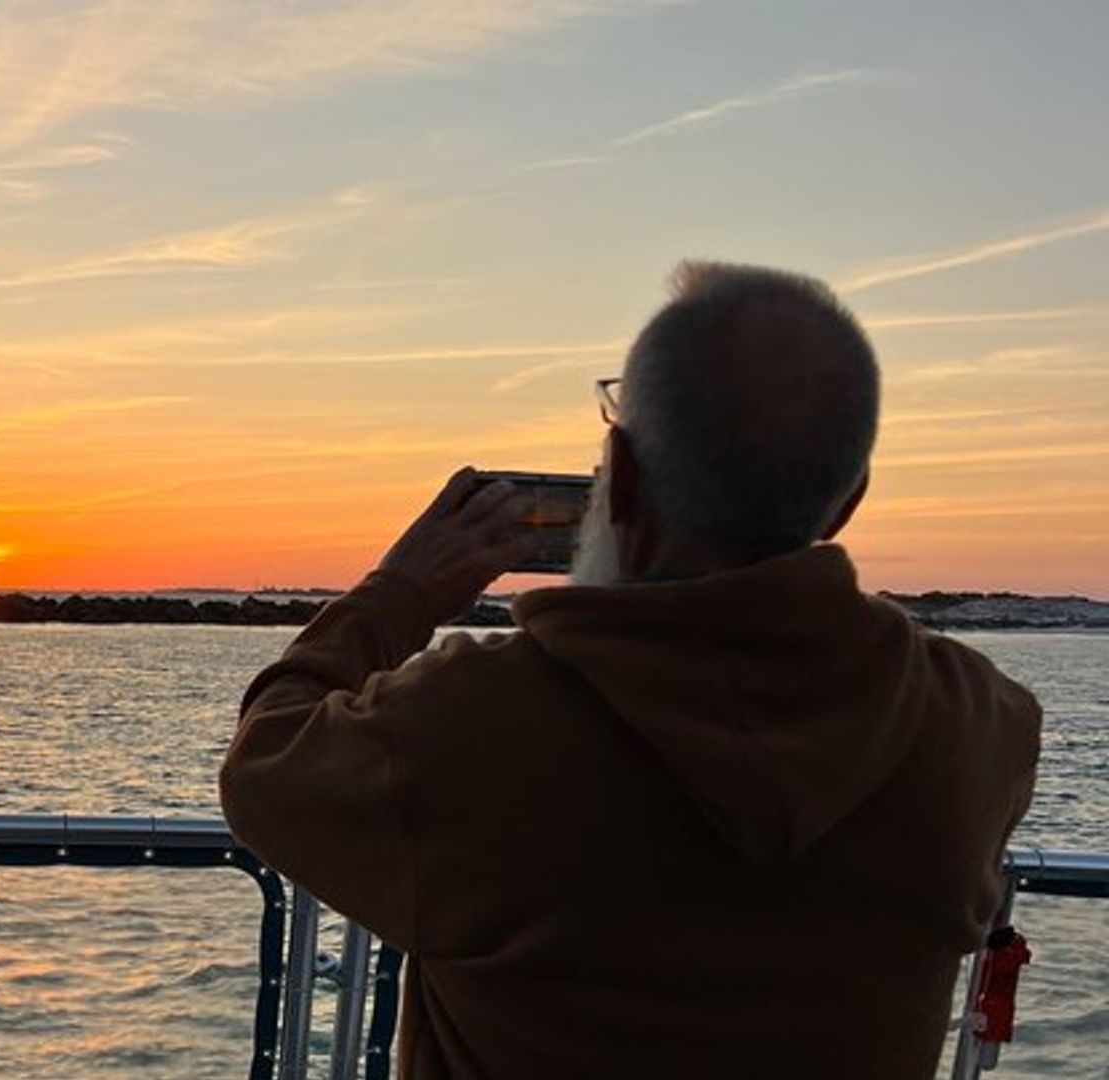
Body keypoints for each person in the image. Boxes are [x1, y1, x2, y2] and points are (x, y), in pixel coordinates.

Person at [219, 262, 1041, 1079]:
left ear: (622, 476)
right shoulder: (981, 728)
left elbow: (265, 767)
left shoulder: (471, 724)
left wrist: (400, 593)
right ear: (850, 498)